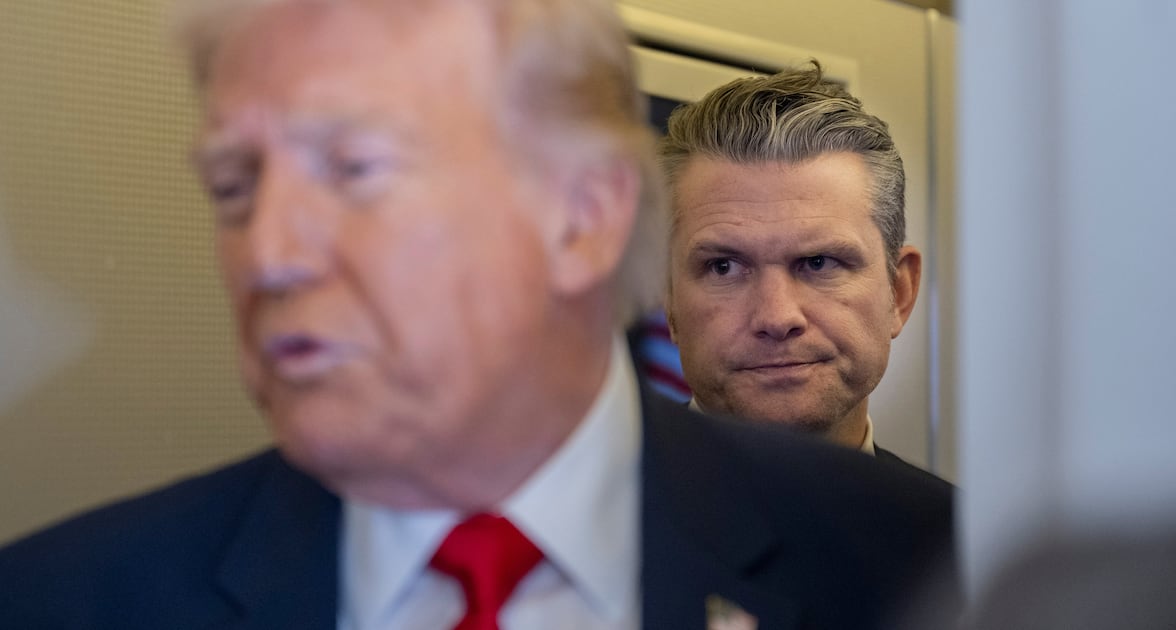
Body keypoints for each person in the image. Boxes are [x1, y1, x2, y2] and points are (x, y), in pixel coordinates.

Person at [0, 2, 954, 628]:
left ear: (583, 219)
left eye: (358, 169)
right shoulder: (63, 602)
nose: (268, 252)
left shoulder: (925, 559)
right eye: (234, 186)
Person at [659, 64, 947, 485]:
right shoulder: (576, 524)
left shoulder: (959, 527)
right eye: (724, 267)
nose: (777, 318)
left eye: (818, 263)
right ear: (669, 301)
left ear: (899, 293)